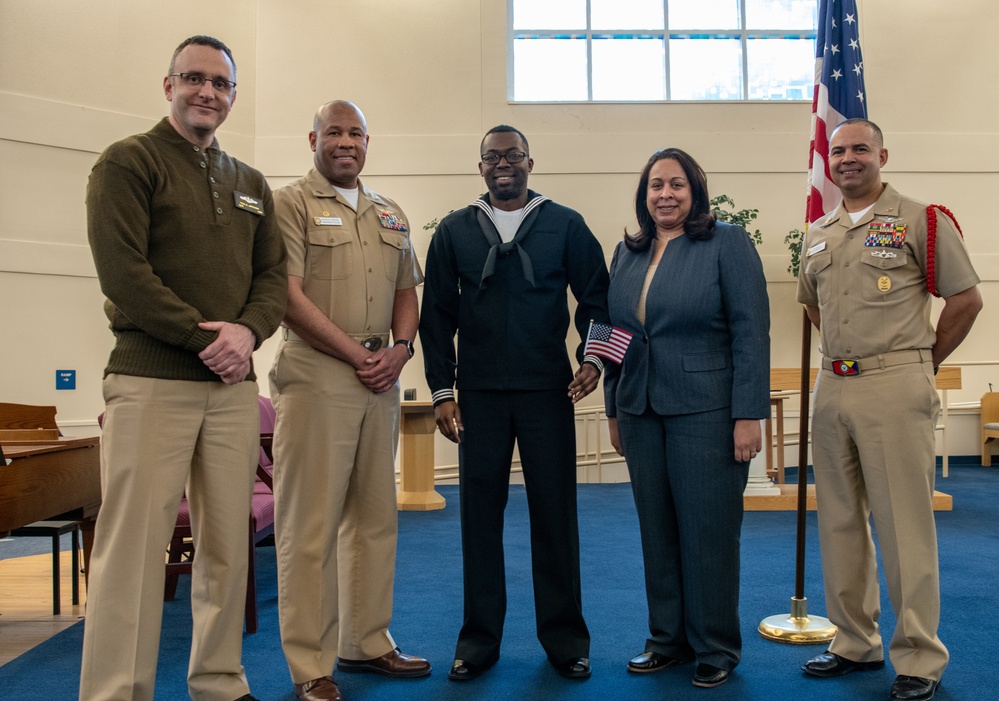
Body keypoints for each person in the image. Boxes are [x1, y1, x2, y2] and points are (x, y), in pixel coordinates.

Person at [80, 35, 287, 701]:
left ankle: (220, 680)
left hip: (230, 390)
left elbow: (273, 278)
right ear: (167, 84)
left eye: (221, 84)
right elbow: (125, 275)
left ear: (232, 96)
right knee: (133, 551)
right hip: (149, 381)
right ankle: (116, 690)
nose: (208, 93)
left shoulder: (250, 182)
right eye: (194, 79)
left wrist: (249, 331)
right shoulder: (128, 162)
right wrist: (209, 338)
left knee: (227, 548)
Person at [797, 118, 981, 701]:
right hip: (834, 386)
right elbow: (813, 306)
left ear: (882, 154)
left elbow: (966, 298)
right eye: (839, 150)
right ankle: (855, 641)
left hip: (895, 383)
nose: (847, 158)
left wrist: (919, 359)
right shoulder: (818, 232)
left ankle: (919, 658)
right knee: (841, 520)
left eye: (859, 149)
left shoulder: (920, 219)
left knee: (904, 524)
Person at [419, 124, 610, 682]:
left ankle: (566, 642)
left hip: (546, 391)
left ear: (531, 162)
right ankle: (478, 642)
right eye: (492, 157)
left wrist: (593, 360)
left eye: (514, 155)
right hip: (477, 397)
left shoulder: (566, 224)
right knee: (479, 519)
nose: (504, 164)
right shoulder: (454, 230)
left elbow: (598, 298)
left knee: (556, 515)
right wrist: (443, 391)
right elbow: (436, 318)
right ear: (480, 167)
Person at [269, 100, 429, 701]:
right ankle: (311, 663)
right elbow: (287, 296)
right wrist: (356, 353)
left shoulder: (390, 212)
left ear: (369, 142)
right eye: (333, 131)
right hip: (316, 375)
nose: (345, 142)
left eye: (354, 133)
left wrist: (401, 348)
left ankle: (366, 640)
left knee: (374, 517)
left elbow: (407, 289)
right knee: (309, 525)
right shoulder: (289, 204)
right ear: (312, 138)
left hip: (380, 378)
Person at [604, 147, 770, 689]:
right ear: (643, 193)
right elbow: (617, 336)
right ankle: (666, 640)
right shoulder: (626, 252)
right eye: (656, 185)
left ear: (695, 191)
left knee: (709, 532)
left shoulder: (727, 243)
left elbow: (751, 333)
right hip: (640, 409)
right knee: (659, 530)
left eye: (676, 184)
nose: (665, 194)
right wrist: (613, 407)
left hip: (709, 411)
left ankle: (715, 646)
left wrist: (748, 413)